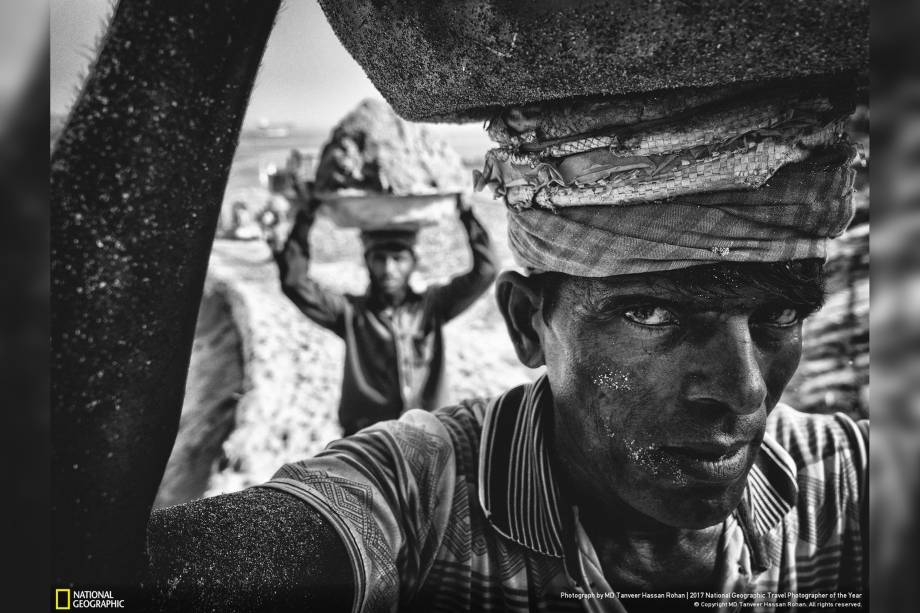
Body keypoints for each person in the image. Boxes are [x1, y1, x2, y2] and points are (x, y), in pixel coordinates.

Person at [50, 2, 868, 611]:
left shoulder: (852, 487)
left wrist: (454, 213)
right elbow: (78, 592)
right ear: (525, 323)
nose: (746, 391)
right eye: (652, 314)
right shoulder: (418, 503)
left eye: (778, 315)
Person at [273, 191, 497, 435]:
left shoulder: (433, 306)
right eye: (379, 259)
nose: (389, 269)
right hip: (367, 439)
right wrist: (306, 217)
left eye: (398, 259)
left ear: (413, 263)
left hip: (429, 434)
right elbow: (295, 283)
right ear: (367, 262)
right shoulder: (350, 313)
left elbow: (486, 270)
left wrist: (466, 214)